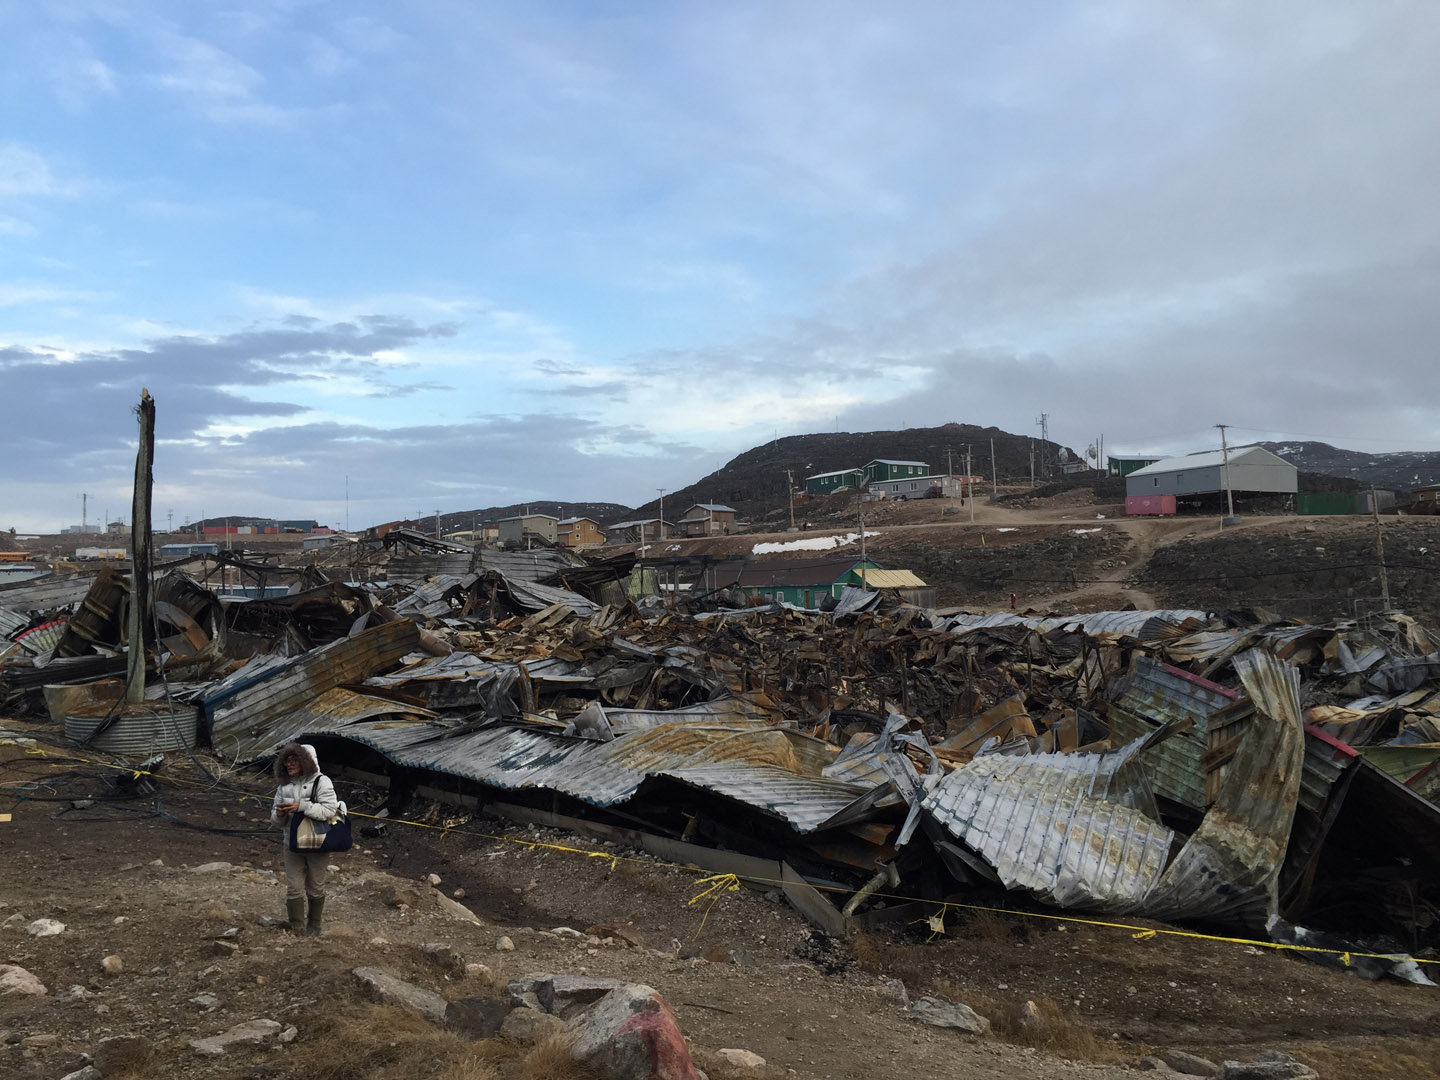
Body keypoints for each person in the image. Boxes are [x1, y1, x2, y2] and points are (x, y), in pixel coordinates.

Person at [270, 743, 340, 936]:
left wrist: (302, 806)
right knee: (293, 887)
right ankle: (297, 928)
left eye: (294, 760)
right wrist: (279, 814)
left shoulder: (322, 782)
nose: (289, 764)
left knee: (316, 887)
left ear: (305, 760)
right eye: (287, 761)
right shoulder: (284, 785)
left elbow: (329, 810)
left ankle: (314, 926)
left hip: (317, 842)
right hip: (292, 844)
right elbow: (276, 822)